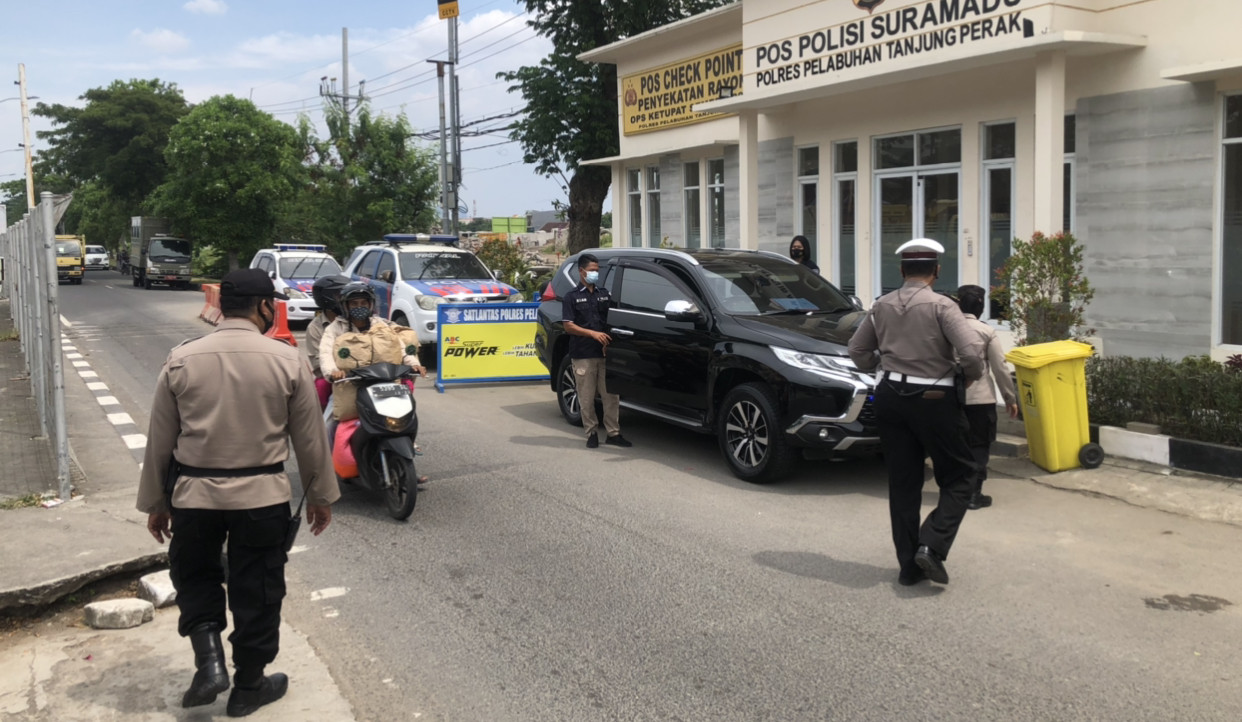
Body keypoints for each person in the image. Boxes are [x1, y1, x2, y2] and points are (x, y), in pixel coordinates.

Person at [136, 268, 339, 717]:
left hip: (193, 496)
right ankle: (249, 685)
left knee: (196, 578)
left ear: (222, 305)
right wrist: (320, 496)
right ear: (265, 307)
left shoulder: (181, 358)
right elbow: (309, 440)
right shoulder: (286, 360)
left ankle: (209, 663)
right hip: (261, 497)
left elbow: (160, 441)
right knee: (259, 589)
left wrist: (155, 504)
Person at [847, 239, 984, 587]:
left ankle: (909, 567)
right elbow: (970, 354)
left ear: (902, 271)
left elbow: (857, 349)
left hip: (890, 395)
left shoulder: (881, 305)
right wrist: (966, 377)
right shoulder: (943, 307)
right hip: (935, 398)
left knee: (904, 481)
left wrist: (883, 364)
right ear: (936, 271)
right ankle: (932, 545)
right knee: (961, 474)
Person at [319, 282, 428, 483]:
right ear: (346, 306)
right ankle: (326, 471)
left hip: (383, 384)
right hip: (350, 385)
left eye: (363, 302)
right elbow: (325, 354)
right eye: (354, 303)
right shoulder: (336, 328)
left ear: (371, 305)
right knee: (328, 425)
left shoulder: (382, 325)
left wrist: (414, 364)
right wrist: (332, 371)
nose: (359, 306)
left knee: (404, 418)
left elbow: (401, 349)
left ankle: (406, 462)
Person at [954, 285, 1019, 510]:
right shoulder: (985, 331)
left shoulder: (945, 328)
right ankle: (974, 494)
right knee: (979, 447)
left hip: (950, 399)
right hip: (980, 400)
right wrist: (1010, 398)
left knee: (955, 446)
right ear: (981, 307)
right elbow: (1000, 367)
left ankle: (955, 493)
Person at [562, 253, 632, 449]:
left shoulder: (604, 294)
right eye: (591, 270)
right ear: (581, 271)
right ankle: (591, 433)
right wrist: (592, 334)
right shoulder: (572, 297)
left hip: (605, 353)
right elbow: (568, 326)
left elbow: (612, 319)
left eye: (597, 270)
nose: (595, 274)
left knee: (611, 396)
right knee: (586, 396)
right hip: (583, 353)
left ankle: (613, 433)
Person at [307, 275, 349, 410]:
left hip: (362, 371)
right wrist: (334, 371)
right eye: (339, 295)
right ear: (326, 297)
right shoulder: (315, 328)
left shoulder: (358, 318)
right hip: (332, 376)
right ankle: (321, 424)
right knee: (320, 387)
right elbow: (317, 362)